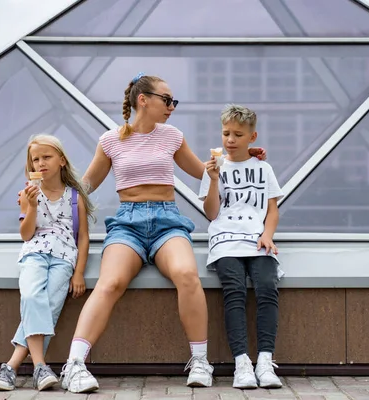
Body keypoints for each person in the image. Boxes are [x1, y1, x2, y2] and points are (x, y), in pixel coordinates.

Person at [58, 73, 267, 393]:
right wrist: (50, 198)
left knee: (186, 274)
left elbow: (205, 171)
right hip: (127, 223)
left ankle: (200, 361)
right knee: (110, 282)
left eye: (173, 101)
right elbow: (85, 187)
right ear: (144, 100)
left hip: (167, 220)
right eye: (167, 100)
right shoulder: (111, 140)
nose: (172, 106)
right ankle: (74, 365)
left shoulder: (171, 136)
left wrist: (245, 156)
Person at [0, 134, 95, 391]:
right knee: (31, 296)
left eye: (46, 157)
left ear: (61, 160)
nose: (40, 163)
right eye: (35, 159)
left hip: (64, 259)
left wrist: (79, 272)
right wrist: (33, 207)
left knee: (48, 305)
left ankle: (11, 366)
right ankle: (39, 365)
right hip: (34, 253)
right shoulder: (27, 195)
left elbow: (82, 237)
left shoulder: (74, 197)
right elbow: (26, 234)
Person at [199, 104, 283, 390]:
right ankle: (241, 363)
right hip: (225, 242)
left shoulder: (263, 168)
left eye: (237, 134)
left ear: (252, 137)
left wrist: (268, 235)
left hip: (257, 241)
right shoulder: (213, 169)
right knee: (233, 291)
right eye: (225, 133)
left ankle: (265, 360)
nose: (230, 140)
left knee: (267, 288)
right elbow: (211, 213)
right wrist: (212, 181)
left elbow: (272, 210)